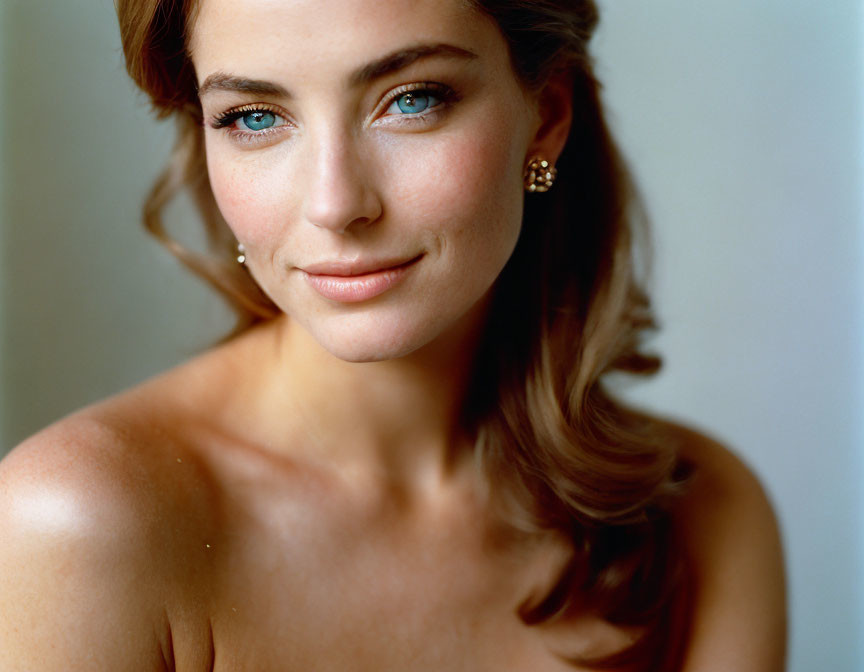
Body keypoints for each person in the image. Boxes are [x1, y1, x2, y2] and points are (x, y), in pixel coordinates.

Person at [0, 0, 786, 669]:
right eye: (256, 117)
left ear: (545, 116)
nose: (336, 204)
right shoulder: (79, 528)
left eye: (411, 99)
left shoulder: (704, 522)